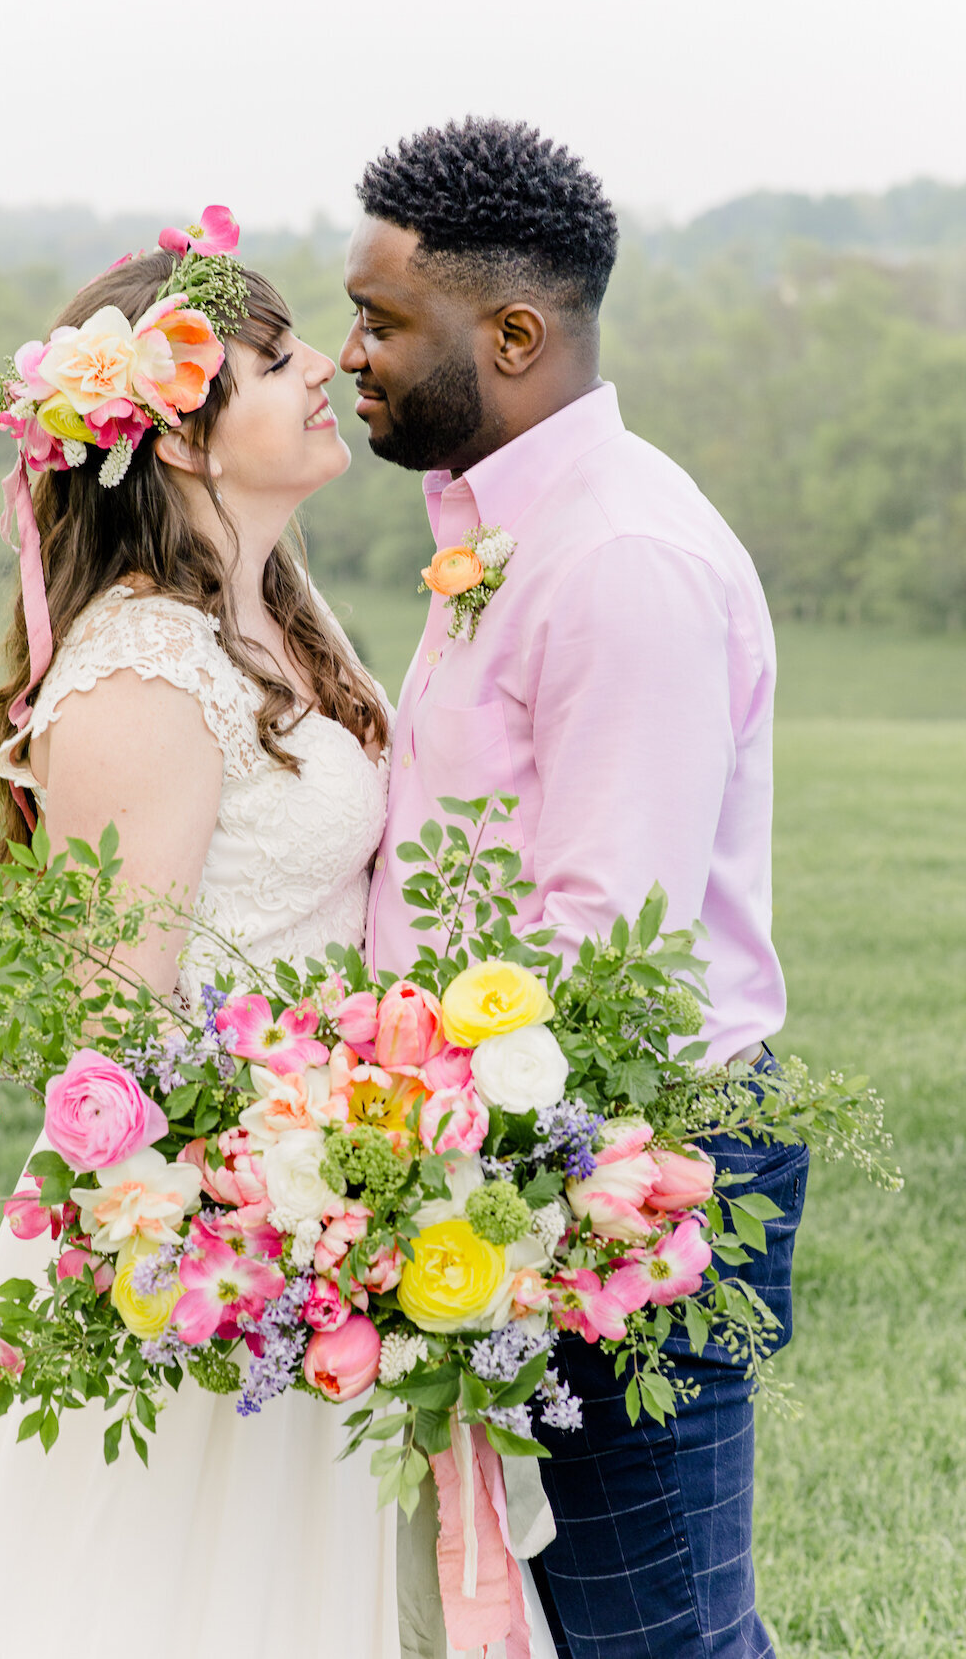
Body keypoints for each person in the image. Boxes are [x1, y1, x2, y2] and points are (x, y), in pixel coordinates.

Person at [0, 238, 407, 1657]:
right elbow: (124, 1037)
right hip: (204, 1247)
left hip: (317, 1204)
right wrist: (274, 1220)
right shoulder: (145, 668)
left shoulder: (278, 608)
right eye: (275, 361)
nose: (323, 365)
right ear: (184, 436)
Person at [350, 118, 808, 1659]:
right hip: (522, 1154)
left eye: (381, 320)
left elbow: (603, 950)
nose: (351, 351)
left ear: (513, 334)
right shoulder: (509, 530)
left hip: (629, 1171)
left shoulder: (617, 559)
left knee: (655, 1635)